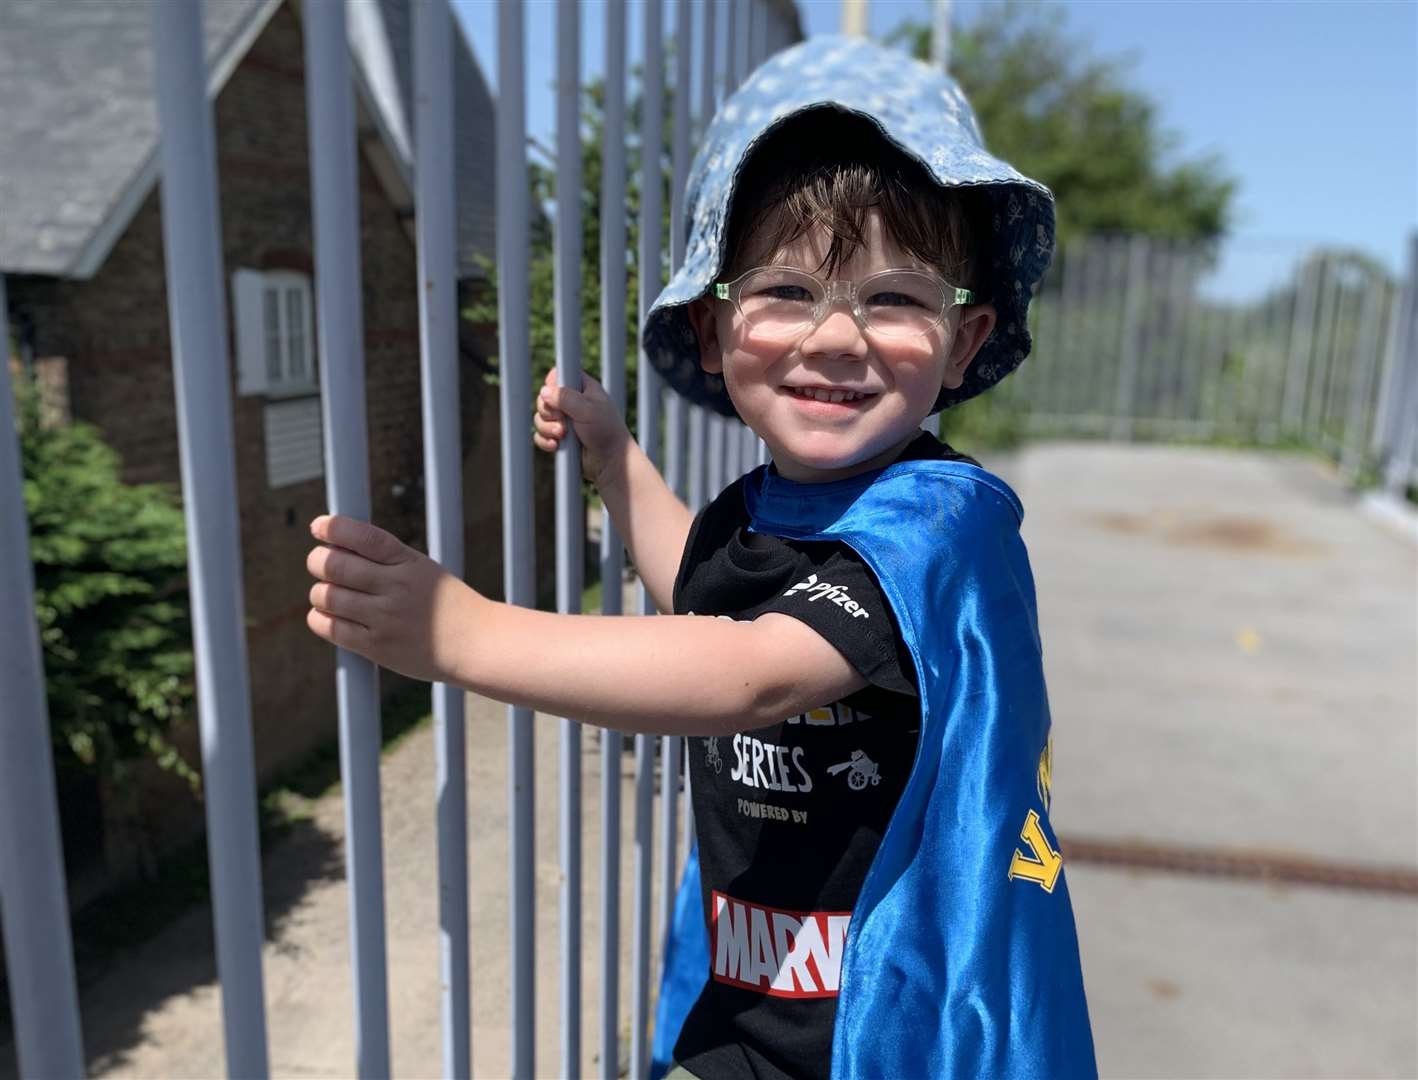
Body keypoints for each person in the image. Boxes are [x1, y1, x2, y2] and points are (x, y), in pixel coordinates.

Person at [305, 35, 1095, 1080]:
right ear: (715, 329)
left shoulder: (937, 522)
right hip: (751, 1000)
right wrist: (613, 458)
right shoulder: (765, 504)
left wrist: (462, 631)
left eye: (894, 298)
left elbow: (749, 670)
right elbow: (702, 590)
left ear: (961, 339)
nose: (836, 336)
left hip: (884, 1023)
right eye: (787, 292)